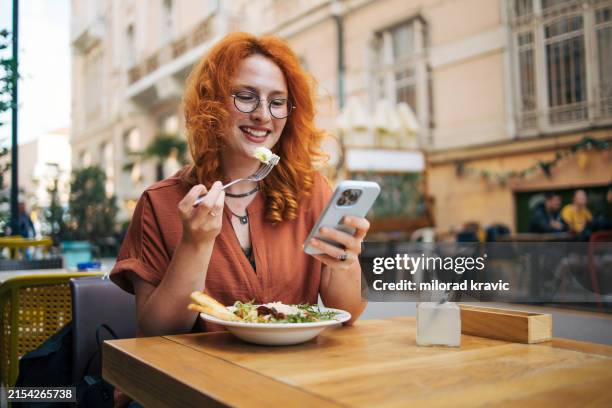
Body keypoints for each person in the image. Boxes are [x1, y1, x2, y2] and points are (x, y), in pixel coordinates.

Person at [110, 32, 368, 337]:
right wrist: (195, 244)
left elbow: (348, 313)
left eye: (277, 102)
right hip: (197, 376)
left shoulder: (311, 192)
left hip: (291, 373)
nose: (262, 115)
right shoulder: (160, 203)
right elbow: (157, 331)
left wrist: (346, 261)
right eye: (246, 96)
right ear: (212, 103)